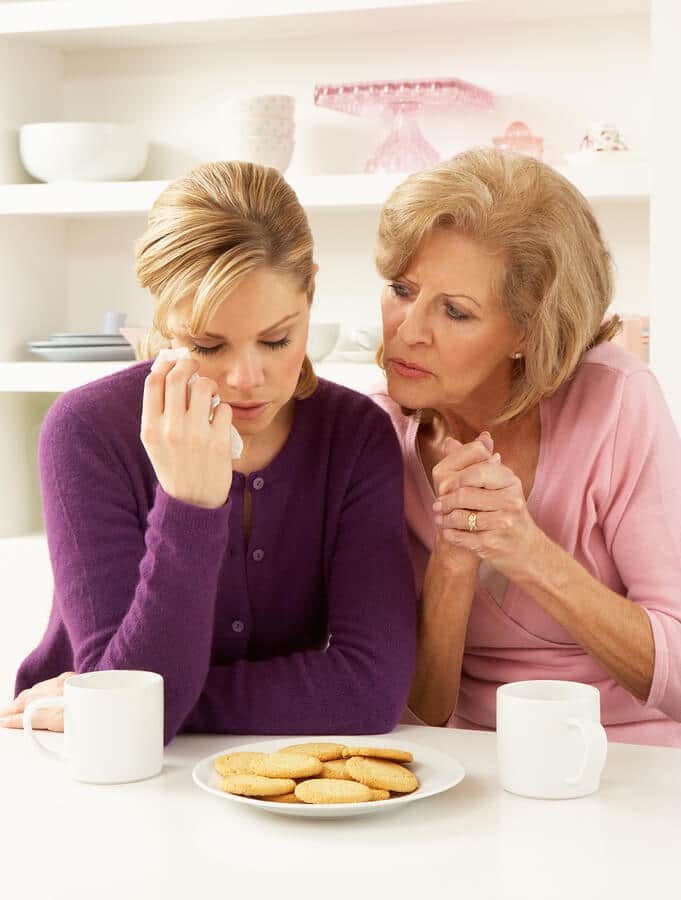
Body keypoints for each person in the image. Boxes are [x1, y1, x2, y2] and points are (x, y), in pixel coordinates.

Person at [0, 161, 416, 744]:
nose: (247, 378)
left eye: (277, 339)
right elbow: (124, 730)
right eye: (208, 345)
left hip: (261, 769)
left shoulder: (355, 436)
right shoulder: (88, 433)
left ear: (311, 295)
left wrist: (130, 698)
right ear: (164, 320)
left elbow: (369, 691)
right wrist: (189, 503)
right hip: (80, 762)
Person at [370, 148, 681, 746]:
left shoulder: (616, 402)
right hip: (466, 760)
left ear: (528, 331)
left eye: (455, 311)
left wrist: (526, 551)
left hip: (629, 758)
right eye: (402, 289)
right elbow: (416, 715)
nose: (408, 331)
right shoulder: (375, 432)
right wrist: (454, 561)